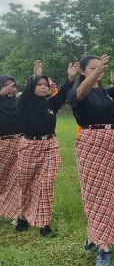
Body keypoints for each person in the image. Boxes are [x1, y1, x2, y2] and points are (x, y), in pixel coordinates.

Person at [68, 54, 114, 266]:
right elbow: (82, 91)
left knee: (108, 194)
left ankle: (93, 237)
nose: (98, 72)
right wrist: (94, 75)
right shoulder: (77, 92)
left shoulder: (108, 93)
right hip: (90, 143)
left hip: (112, 142)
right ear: (82, 71)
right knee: (94, 194)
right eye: (93, 68)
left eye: (100, 68)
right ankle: (103, 246)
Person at [15, 60, 78, 236]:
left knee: (46, 184)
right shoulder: (24, 103)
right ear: (32, 86)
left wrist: (70, 78)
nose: (44, 87)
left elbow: (63, 93)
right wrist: (34, 77)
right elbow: (26, 94)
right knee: (26, 184)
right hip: (29, 147)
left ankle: (44, 224)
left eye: (46, 85)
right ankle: (22, 216)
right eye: (39, 84)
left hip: (49, 146)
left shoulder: (51, 104)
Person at [0, 74, 23, 223]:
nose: (10, 88)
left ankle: (17, 214)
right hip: (2, 145)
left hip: (20, 143)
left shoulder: (19, 103)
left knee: (17, 179)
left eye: (13, 85)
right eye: (6, 85)